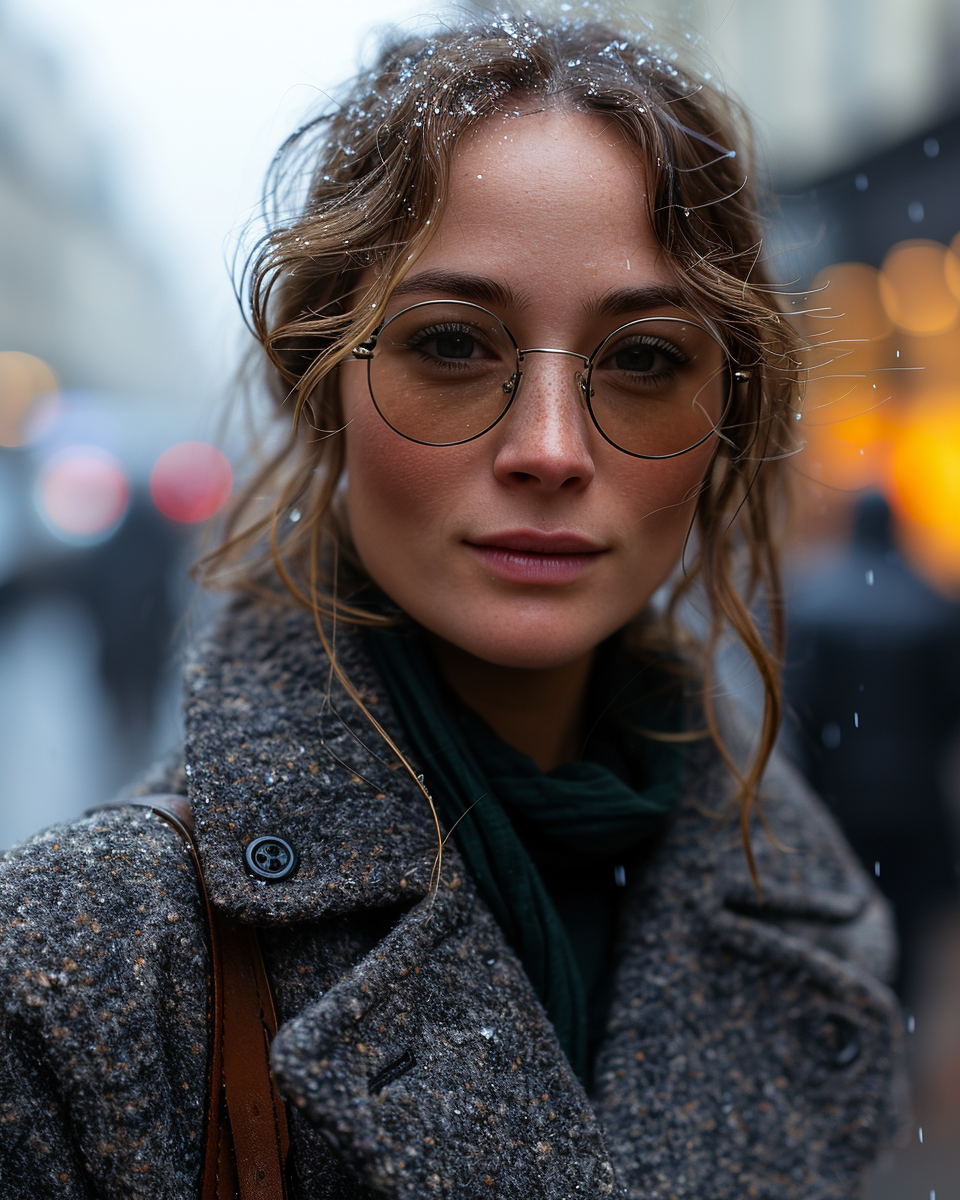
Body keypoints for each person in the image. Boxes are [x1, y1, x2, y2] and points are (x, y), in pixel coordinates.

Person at [0, 14, 903, 1198]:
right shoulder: (96, 957)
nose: (548, 450)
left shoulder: (818, 925)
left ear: (726, 415)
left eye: (641, 361)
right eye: (453, 342)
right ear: (320, 383)